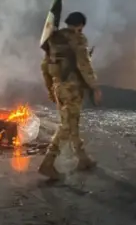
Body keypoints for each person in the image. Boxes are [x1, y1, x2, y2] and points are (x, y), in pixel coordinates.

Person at [38, 11, 102, 180]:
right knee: (67, 125)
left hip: (58, 86)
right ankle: (48, 162)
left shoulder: (53, 39)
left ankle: (82, 158)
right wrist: (95, 87)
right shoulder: (78, 39)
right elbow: (84, 66)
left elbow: (45, 66)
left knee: (73, 122)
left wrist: (50, 88)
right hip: (72, 88)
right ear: (80, 25)